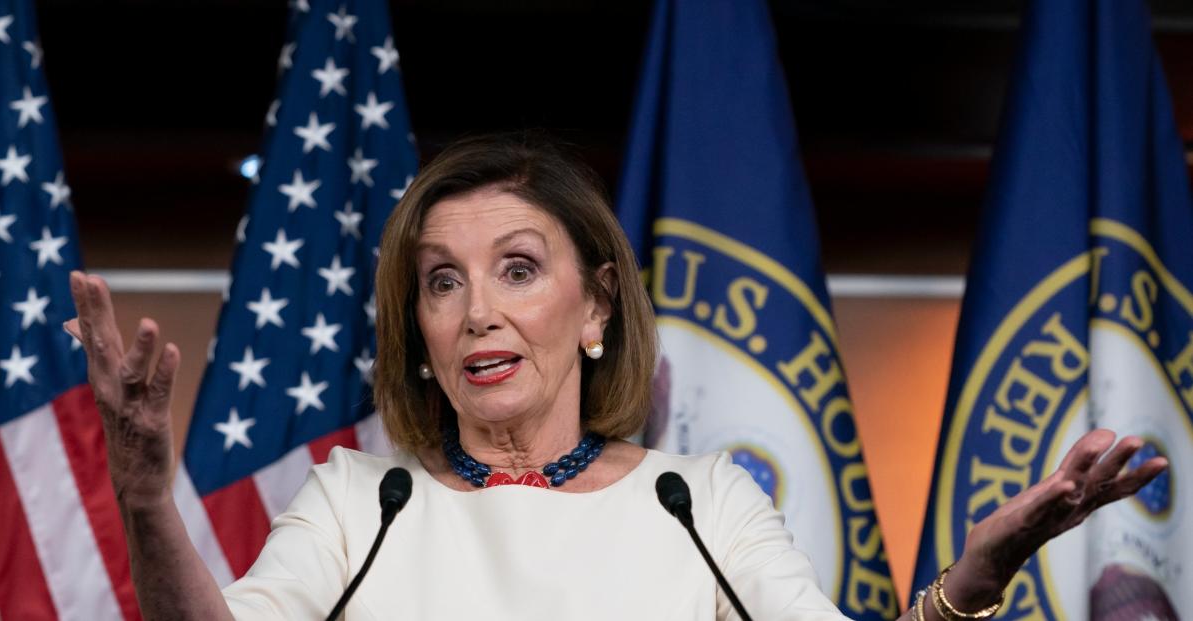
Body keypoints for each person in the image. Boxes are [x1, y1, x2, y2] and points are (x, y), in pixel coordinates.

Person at [66, 133, 1167, 620]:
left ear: (595, 306)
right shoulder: (364, 503)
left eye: (516, 270)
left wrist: (972, 578)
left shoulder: (699, 506)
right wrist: (147, 497)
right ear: (418, 329)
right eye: (440, 282)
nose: (477, 311)